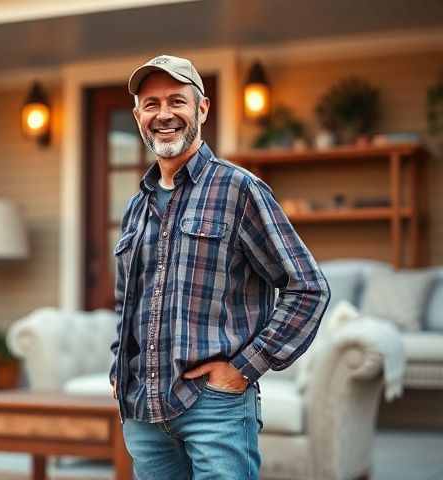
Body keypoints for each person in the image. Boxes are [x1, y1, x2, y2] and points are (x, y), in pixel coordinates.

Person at [108, 54, 331, 479]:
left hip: (215, 408)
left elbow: (308, 288)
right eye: (151, 104)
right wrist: (121, 368)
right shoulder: (136, 207)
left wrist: (243, 369)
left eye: (177, 101)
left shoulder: (240, 189)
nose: (164, 114)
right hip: (143, 412)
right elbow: (126, 301)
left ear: (202, 109)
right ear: (138, 116)